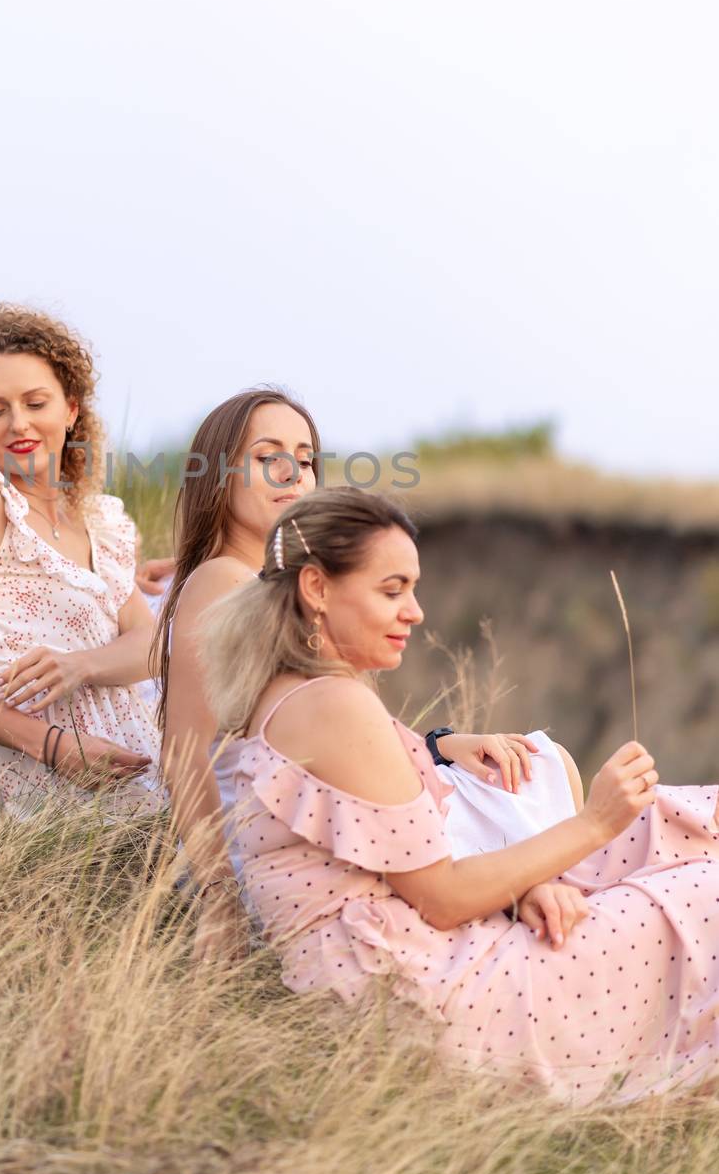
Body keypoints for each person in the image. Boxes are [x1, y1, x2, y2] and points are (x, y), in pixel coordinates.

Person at [201, 486, 719, 1105]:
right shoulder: (331, 704)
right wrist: (595, 822)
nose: (415, 612)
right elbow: (443, 899)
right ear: (316, 589)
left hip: (397, 970)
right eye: (392, 590)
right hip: (427, 999)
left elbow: (392, 849)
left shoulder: (294, 694)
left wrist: (523, 876)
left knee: (668, 818)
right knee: (701, 893)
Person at [156, 387, 563, 963]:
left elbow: (341, 733)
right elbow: (184, 749)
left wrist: (444, 746)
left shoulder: (281, 586)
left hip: (331, 814)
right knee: (543, 779)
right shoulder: (223, 580)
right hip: (282, 842)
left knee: (539, 767)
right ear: (218, 475)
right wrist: (219, 901)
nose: (291, 473)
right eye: (268, 455)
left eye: (304, 459)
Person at [0, 304, 162, 817]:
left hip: (147, 765)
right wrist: (55, 748)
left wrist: (81, 666)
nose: (18, 424)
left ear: (70, 409)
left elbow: (152, 646)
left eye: (36, 402)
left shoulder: (96, 518)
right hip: (52, 786)